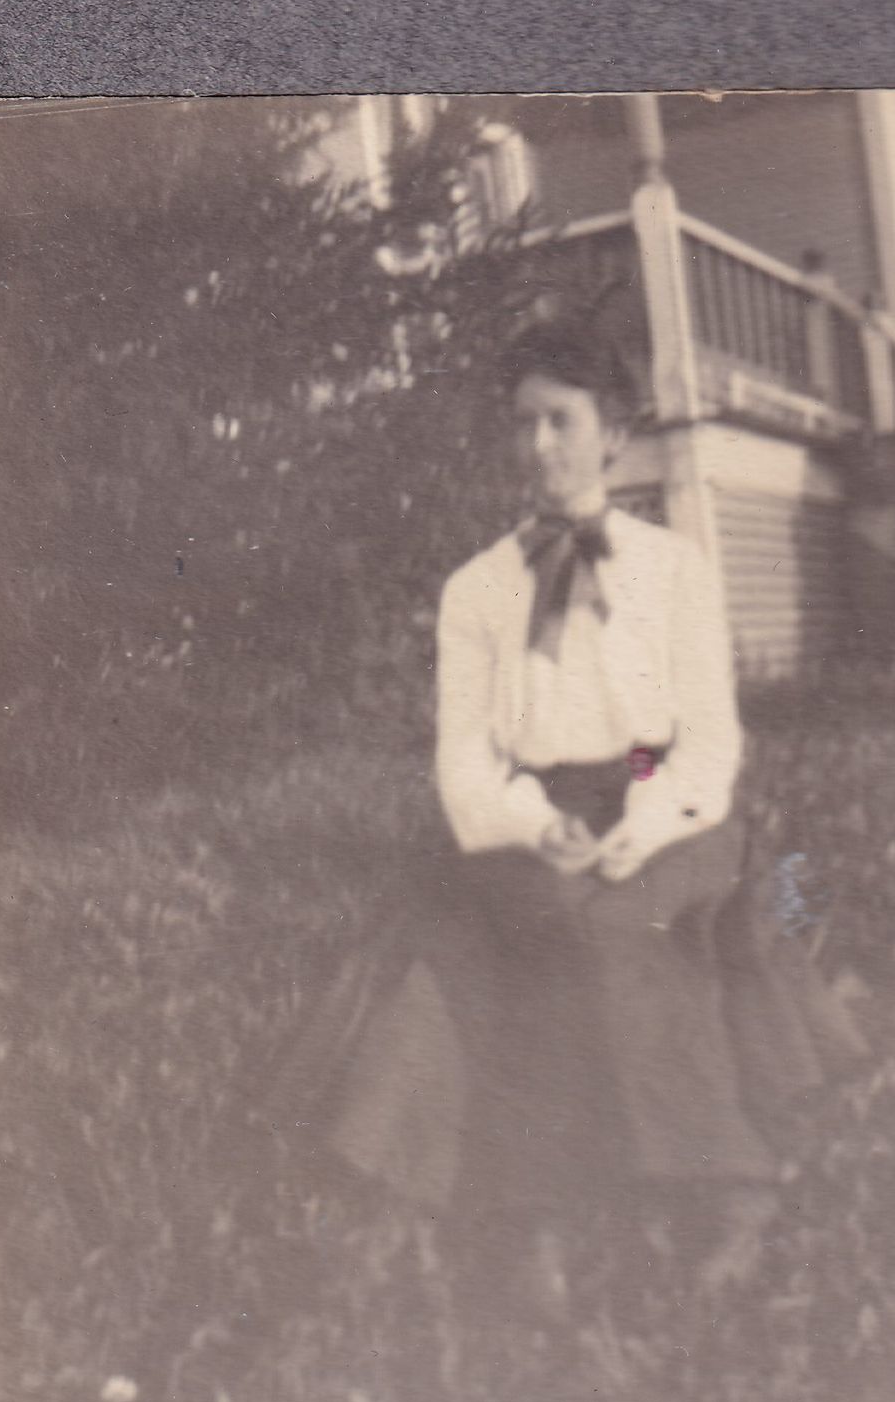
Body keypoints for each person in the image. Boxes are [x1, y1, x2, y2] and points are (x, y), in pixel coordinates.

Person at [283, 316, 860, 1304]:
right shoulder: (476, 590)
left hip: (665, 805)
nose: (539, 445)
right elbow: (465, 759)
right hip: (531, 814)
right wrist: (532, 822)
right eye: (523, 424)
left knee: (628, 923)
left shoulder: (676, 570)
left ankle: (729, 1187)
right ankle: (536, 1212)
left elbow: (708, 745)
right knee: (537, 928)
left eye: (561, 421)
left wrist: (644, 825)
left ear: (615, 435)